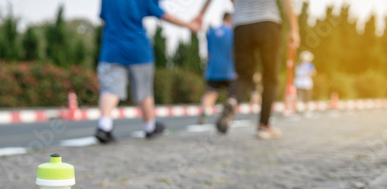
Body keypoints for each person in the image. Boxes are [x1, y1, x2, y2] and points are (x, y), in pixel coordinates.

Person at [95, 0, 200, 143]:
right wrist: (190, 25)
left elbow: (104, 20)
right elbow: (163, 15)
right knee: (144, 91)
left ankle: (104, 127)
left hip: (112, 49)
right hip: (138, 49)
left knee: (110, 90)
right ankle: (149, 127)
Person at [199, 0, 300, 139]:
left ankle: (233, 100)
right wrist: (294, 30)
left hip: (241, 25)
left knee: (244, 75)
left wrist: (201, 13)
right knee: (270, 77)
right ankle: (264, 126)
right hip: (268, 21)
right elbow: (286, 2)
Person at [199, 12, 236, 125]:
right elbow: (234, 52)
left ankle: (204, 114)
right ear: (230, 19)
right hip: (229, 69)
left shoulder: (212, 32)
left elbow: (208, 52)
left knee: (211, 93)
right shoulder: (232, 33)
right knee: (232, 95)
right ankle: (228, 117)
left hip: (213, 69)